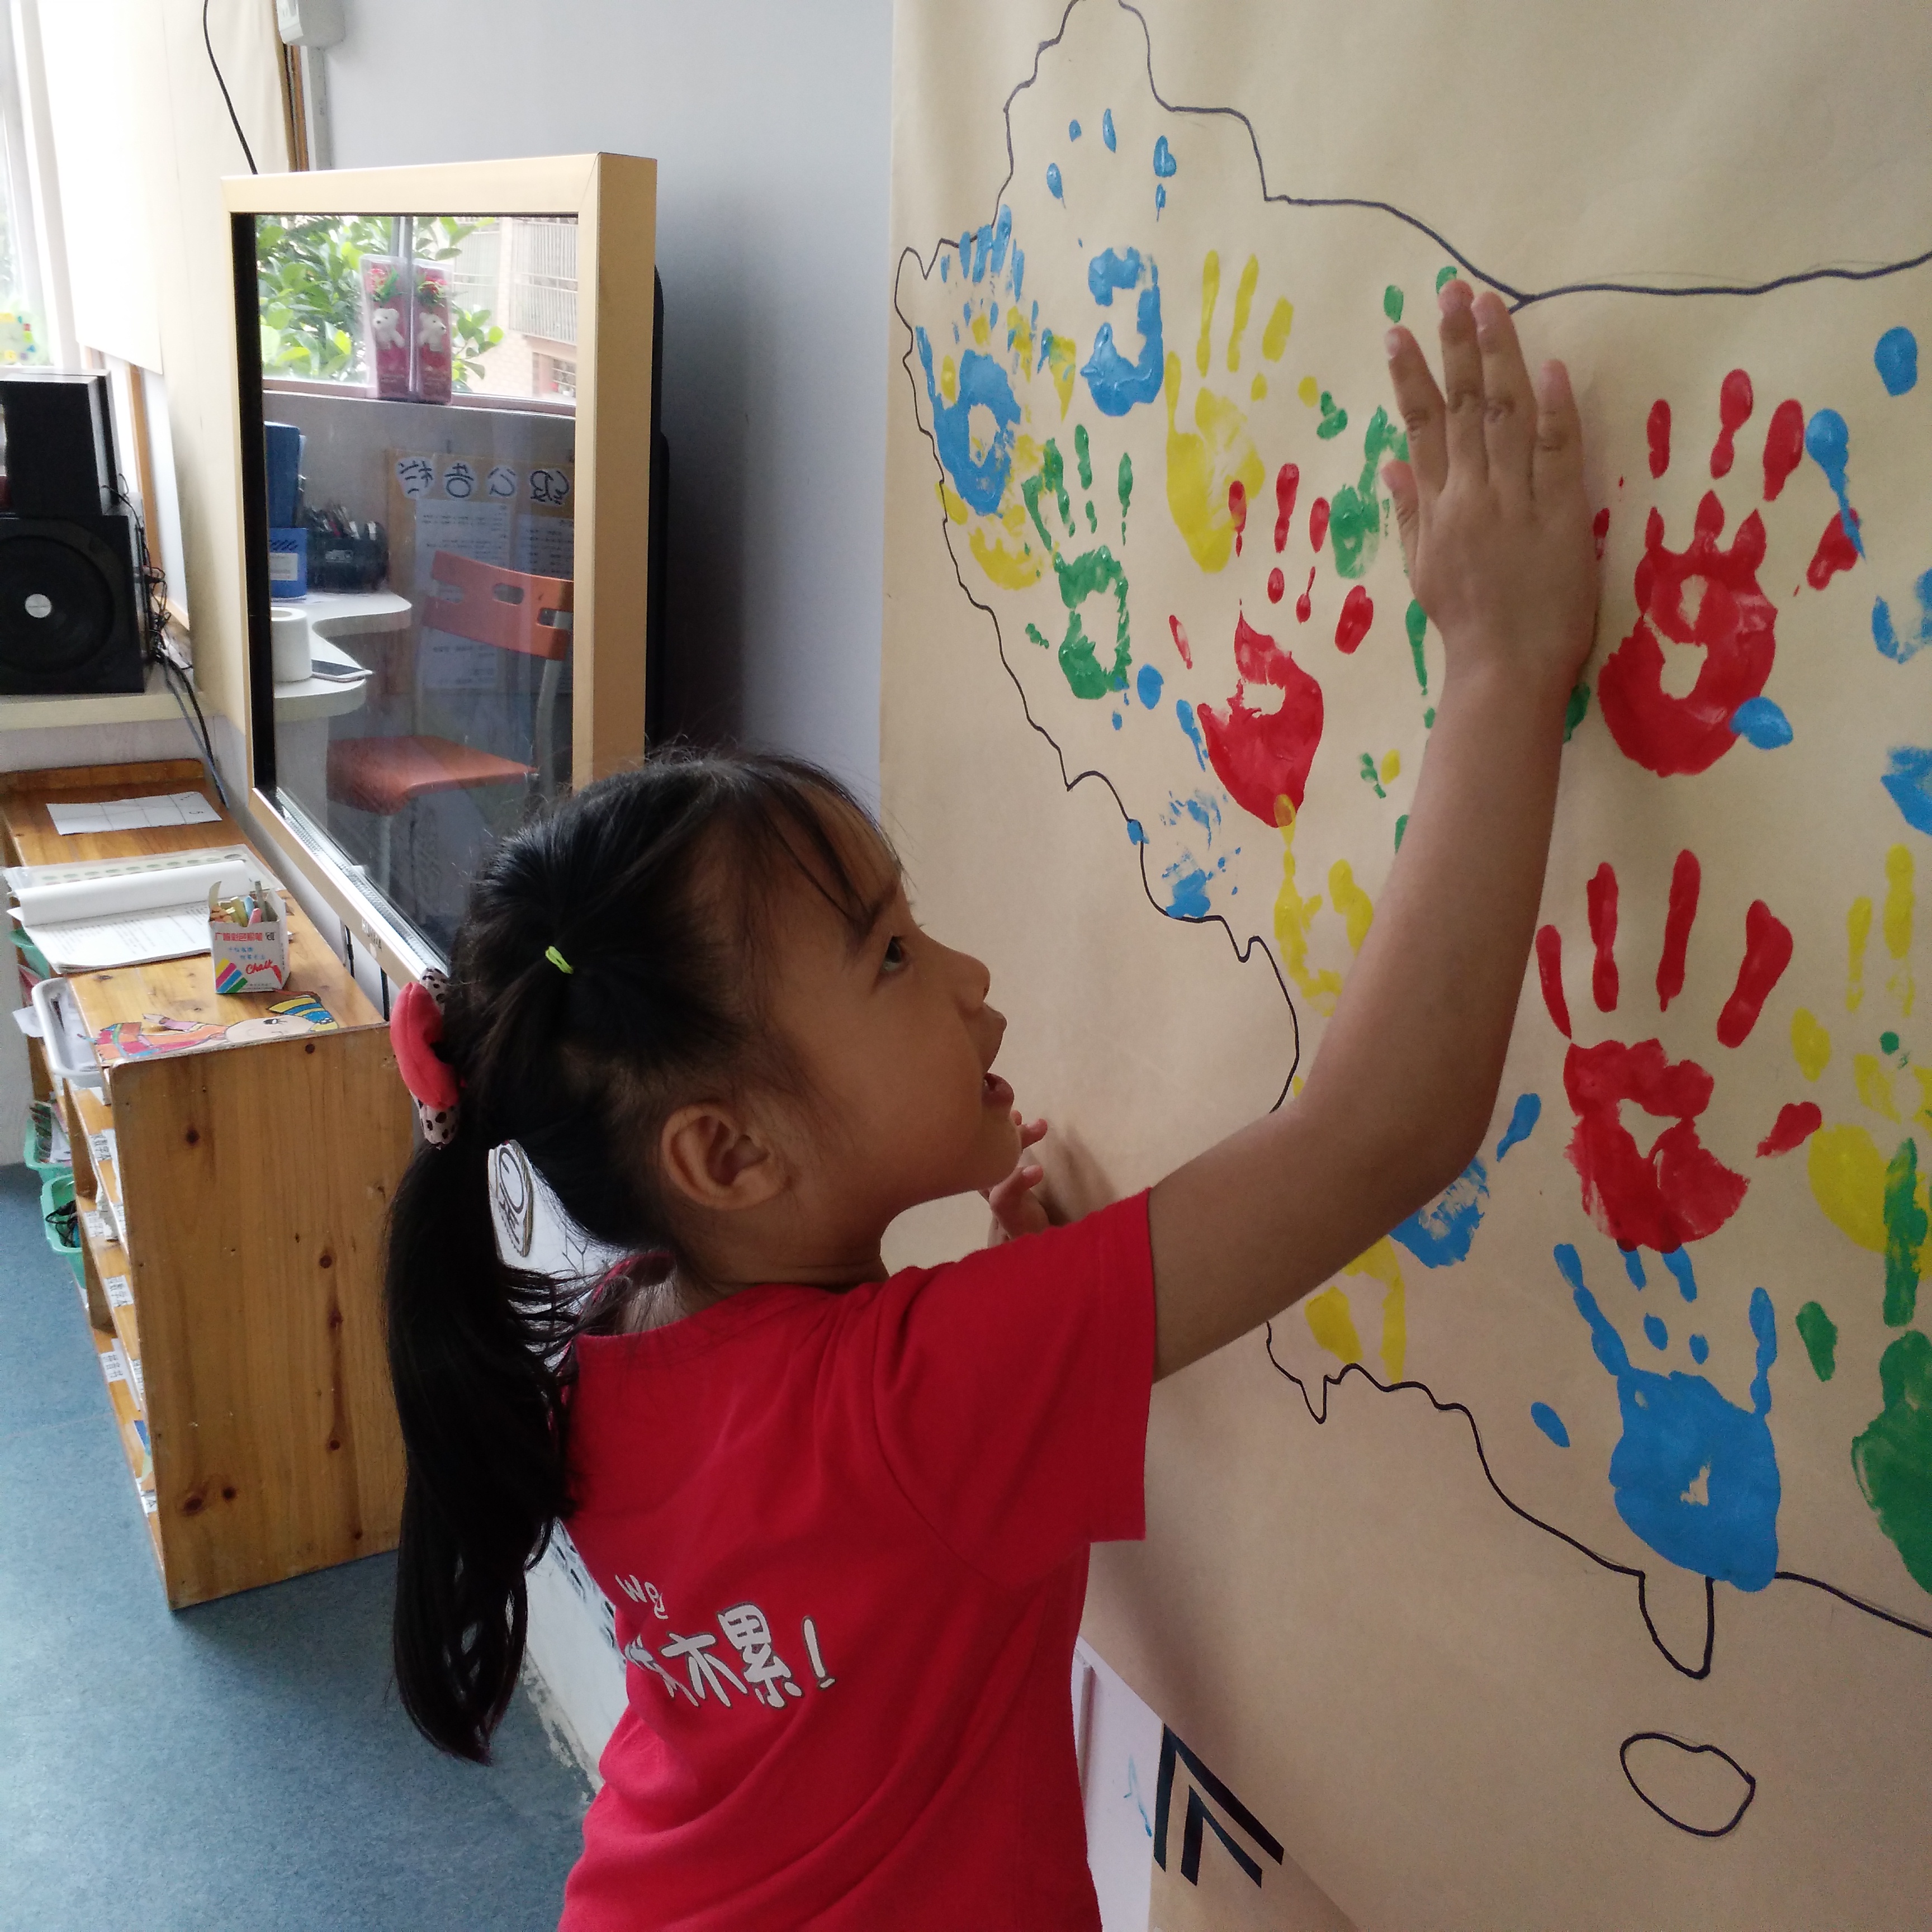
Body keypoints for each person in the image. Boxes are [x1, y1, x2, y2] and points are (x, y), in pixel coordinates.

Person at [383, 281, 1597, 1929]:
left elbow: (853, 1542)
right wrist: (1503, 665)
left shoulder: (615, 1344)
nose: (966, 975)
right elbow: (1385, 1131)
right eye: (890, 956)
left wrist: (1032, 1318)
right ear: (726, 1154)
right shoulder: (922, 1398)